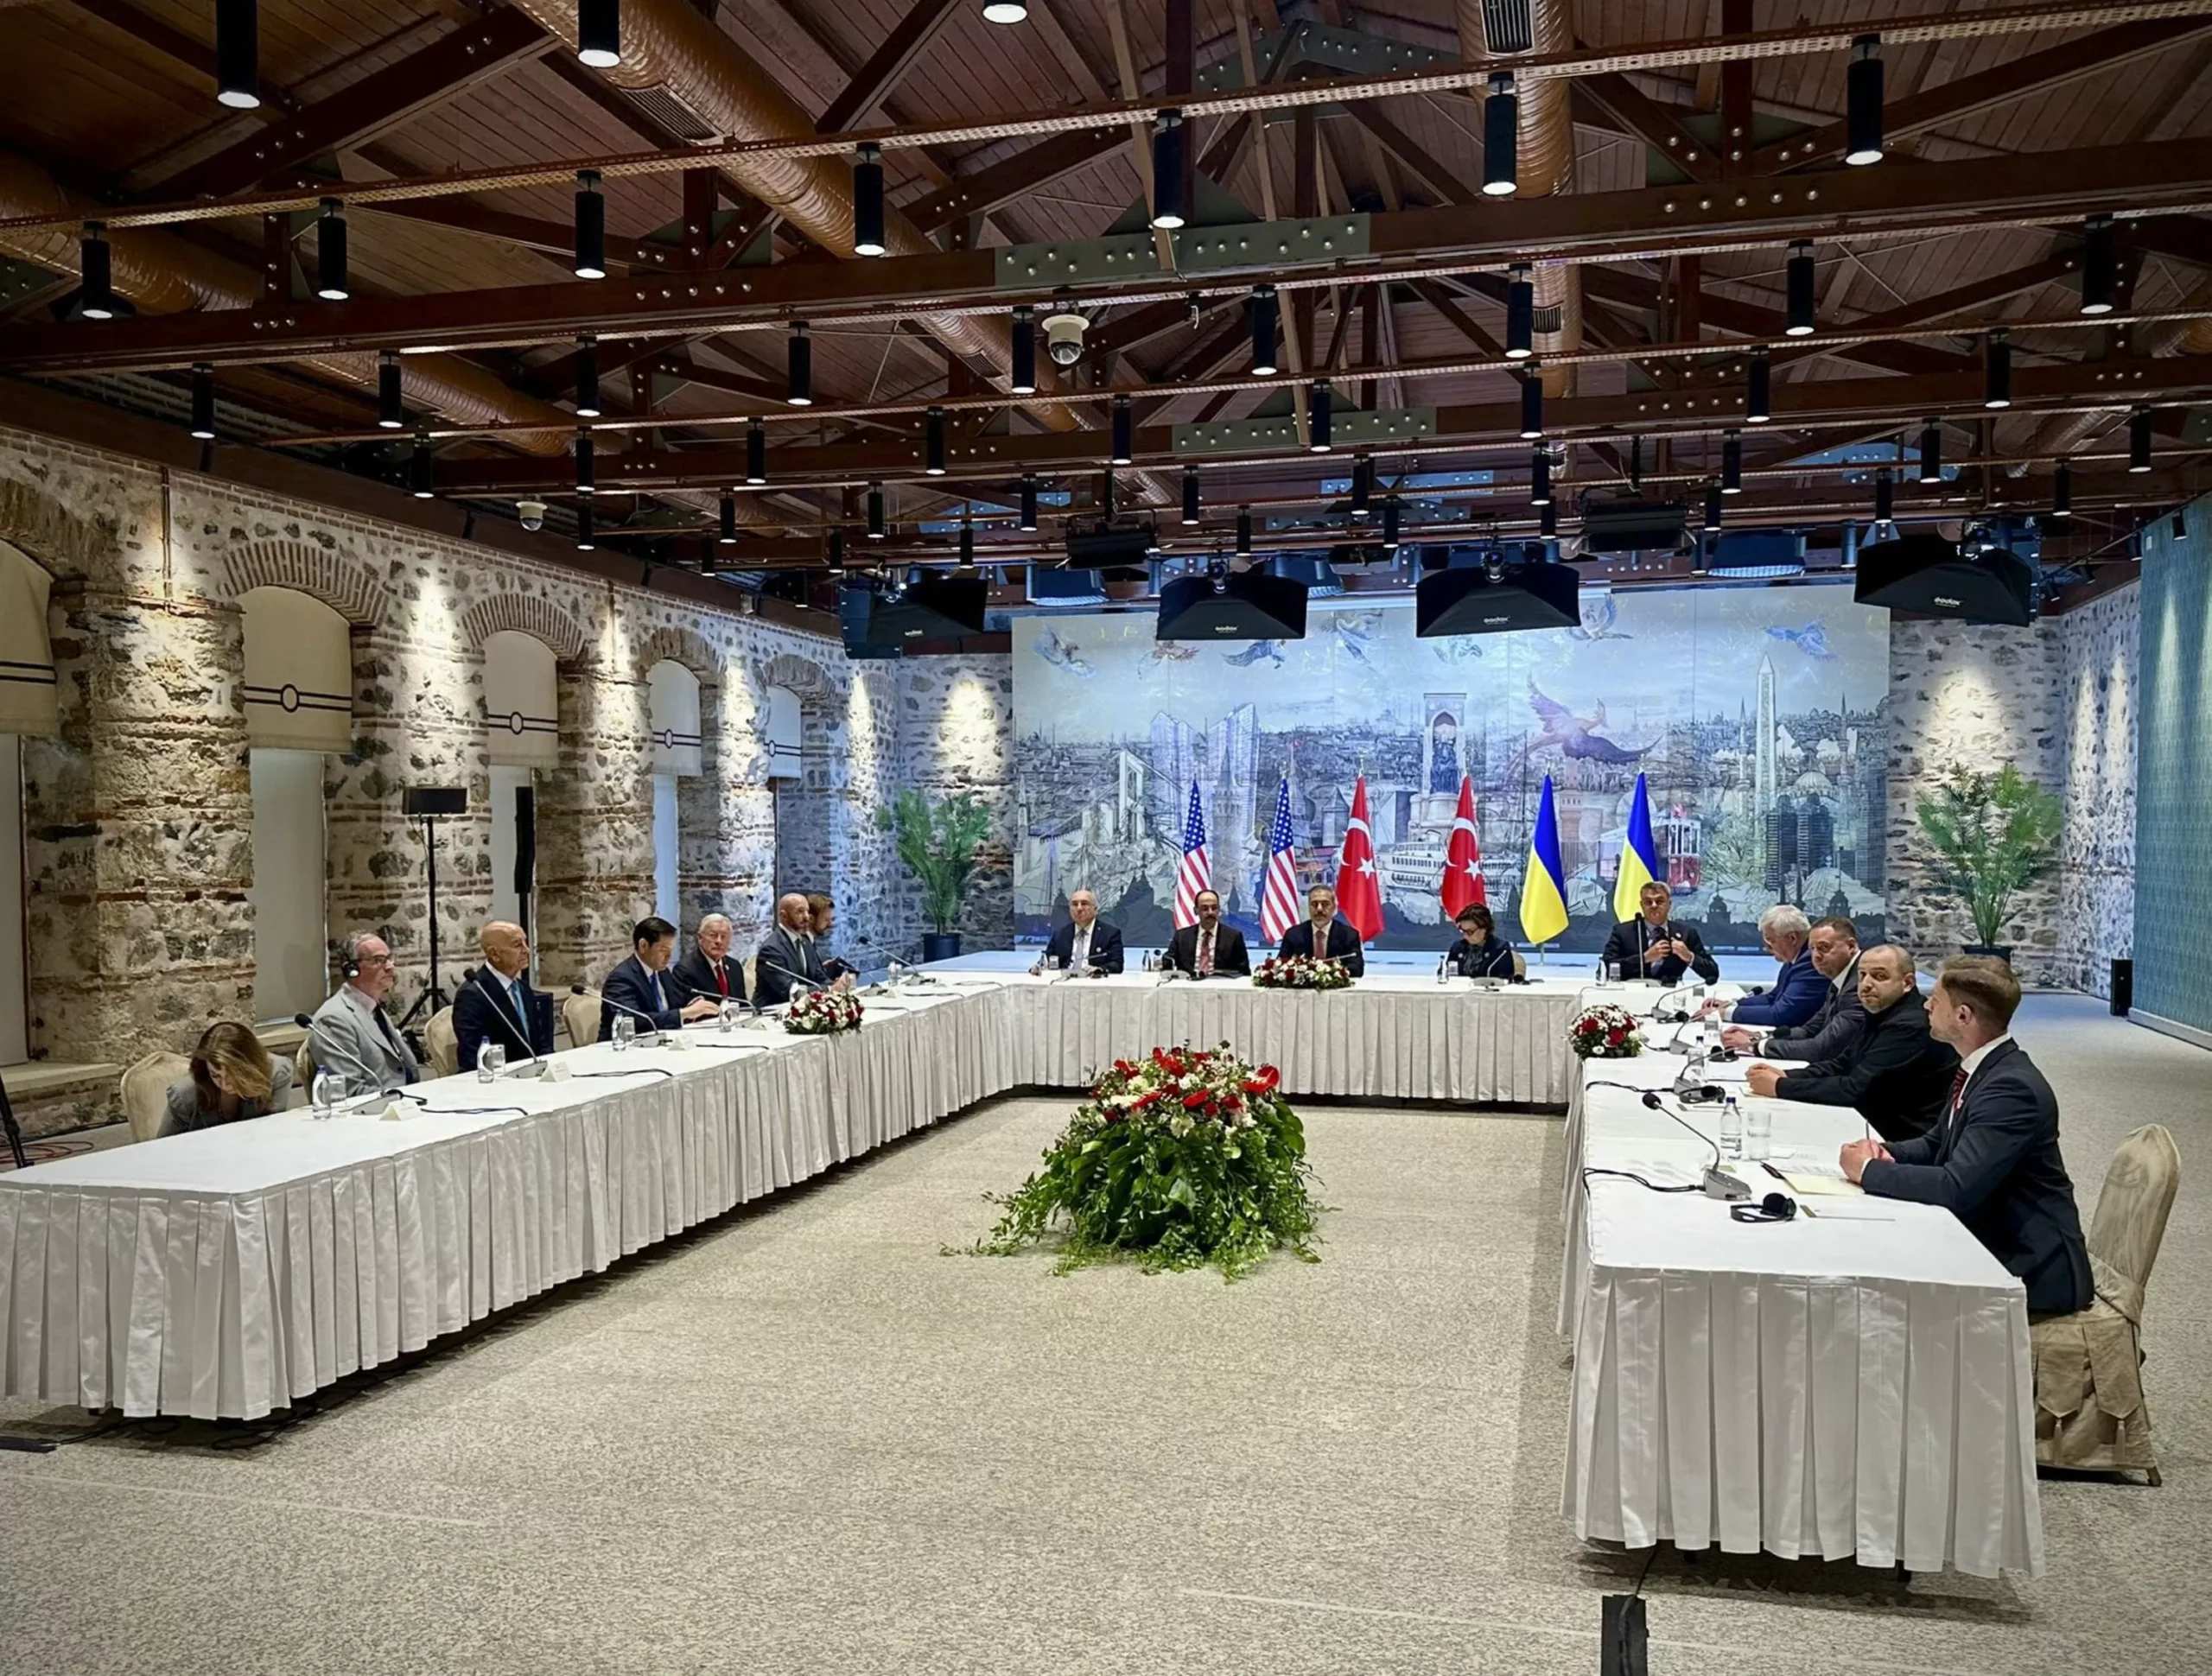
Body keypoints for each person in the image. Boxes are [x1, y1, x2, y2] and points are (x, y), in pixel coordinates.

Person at [1843, 957, 2092, 1316]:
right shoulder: (1983, 1066)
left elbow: (1957, 1188)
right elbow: (1936, 1142)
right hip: (1992, 1233)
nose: (1926, 1006)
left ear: (1962, 1016)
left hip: (2029, 1266)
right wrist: (1884, 1151)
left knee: (1874, 1290)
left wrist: (1868, 1171)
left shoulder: (2011, 1088)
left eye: (1935, 1000)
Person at [1745, 944, 1956, 1140]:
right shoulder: (1883, 1011)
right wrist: (1786, 1075)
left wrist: (1780, 1086)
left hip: (1902, 1138)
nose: (1866, 984)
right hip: (1874, 1123)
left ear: (1907, 983)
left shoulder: (1910, 1025)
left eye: (1879, 976)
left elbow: (1856, 1089)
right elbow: (1842, 1063)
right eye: (1862, 975)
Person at [1724, 915, 1864, 1063]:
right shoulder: (1840, 978)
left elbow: (1821, 1049)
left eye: (1824, 948)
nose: (1816, 956)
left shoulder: (1859, 985)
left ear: (1851, 946)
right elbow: (1808, 1030)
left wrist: (1755, 1046)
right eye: (1812, 949)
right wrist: (1759, 1036)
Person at [307, 931, 422, 1094]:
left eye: (389, 958)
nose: (390, 966)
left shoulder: (372, 1007)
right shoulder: (333, 1019)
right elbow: (349, 1091)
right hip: (380, 1105)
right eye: (378, 960)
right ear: (351, 969)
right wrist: (401, 1099)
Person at [454, 920, 557, 1071]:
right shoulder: (473, 994)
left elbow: (540, 1040)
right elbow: (474, 1056)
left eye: (525, 943)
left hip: (532, 1073)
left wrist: (551, 1066)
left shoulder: (522, 988)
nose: (526, 950)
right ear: (495, 954)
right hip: (500, 1077)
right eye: (517, 945)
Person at [601, 916, 720, 1039]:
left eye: (671, 950)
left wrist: (691, 1005)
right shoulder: (621, 978)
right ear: (643, 946)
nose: (669, 956)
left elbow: (675, 1003)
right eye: (663, 950)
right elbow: (634, 1022)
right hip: (624, 1046)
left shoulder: (662, 972)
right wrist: (684, 1013)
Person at [1708, 904, 1825, 1028]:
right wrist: (1731, 1005)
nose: (1767, 948)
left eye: (1771, 941)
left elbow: (1782, 1014)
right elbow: (1773, 997)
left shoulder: (1811, 962)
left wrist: (1725, 1013)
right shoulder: (1796, 957)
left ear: (1792, 938)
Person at [166, 1021, 293, 1133]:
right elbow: (164, 1147)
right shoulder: (183, 1096)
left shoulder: (277, 1073)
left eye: (232, 1075)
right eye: (215, 1075)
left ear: (250, 1067)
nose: (224, 1084)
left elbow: (274, 1132)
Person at [1600, 880, 1719, 986]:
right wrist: (1644, 958)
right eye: (1648, 902)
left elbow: (1712, 973)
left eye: (1659, 901)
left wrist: (1688, 956)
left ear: (1669, 904)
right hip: (1631, 995)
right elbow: (1607, 967)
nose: (1654, 906)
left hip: (1670, 996)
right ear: (1642, 905)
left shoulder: (1686, 934)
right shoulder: (1622, 932)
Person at [755, 892, 830, 1007]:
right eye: (800, 912)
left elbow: (820, 977)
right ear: (784, 916)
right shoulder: (771, 950)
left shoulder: (806, 943)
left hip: (803, 1009)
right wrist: (829, 989)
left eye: (807, 911)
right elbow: (790, 991)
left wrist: (838, 986)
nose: (806, 917)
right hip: (771, 1012)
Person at [1033, 888, 1126, 976]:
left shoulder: (1110, 934)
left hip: (1095, 982)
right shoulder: (1061, 934)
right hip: (1064, 982)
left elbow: (1117, 964)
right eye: (1074, 904)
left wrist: (1100, 969)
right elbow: (1048, 960)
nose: (1079, 908)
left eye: (1084, 904)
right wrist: (1039, 967)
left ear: (1095, 909)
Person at [1277, 884, 1364, 975]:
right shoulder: (1293, 935)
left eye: (1325, 904)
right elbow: (1280, 966)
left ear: (1334, 907)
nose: (1319, 909)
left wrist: (1323, 973)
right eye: (1314, 904)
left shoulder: (1349, 935)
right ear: (1308, 907)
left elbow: (1357, 969)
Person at [672, 912, 748, 1008]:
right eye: (713, 935)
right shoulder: (685, 970)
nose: (719, 941)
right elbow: (684, 1011)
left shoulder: (735, 966)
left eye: (724, 936)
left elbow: (743, 1005)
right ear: (700, 938)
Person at [1166, 889, 1249, 978]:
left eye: (1214, 908)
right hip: (1189, 983)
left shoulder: (1234, 937)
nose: (1210, 912)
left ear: (1219, 910)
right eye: (1205, 909)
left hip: (1221, 984)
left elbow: (1244, 972)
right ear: (1196, 911)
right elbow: (1168, 962)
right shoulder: (1182, 937)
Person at [1444, 902, 1517, 978]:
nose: (1465, 936)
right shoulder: (1457, 947)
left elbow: (1505, 979)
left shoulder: (1500, 949)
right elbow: (1447, 974)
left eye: (1470, 932)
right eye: (1463, 931)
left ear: (1484, 928)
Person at [805, 894, 857, 984]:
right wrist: (833, 985)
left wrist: (823, 968)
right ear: (811, 919)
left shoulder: (811, 941)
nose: (831, 924)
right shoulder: (803, 944)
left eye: (831, 919)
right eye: (826, 920)